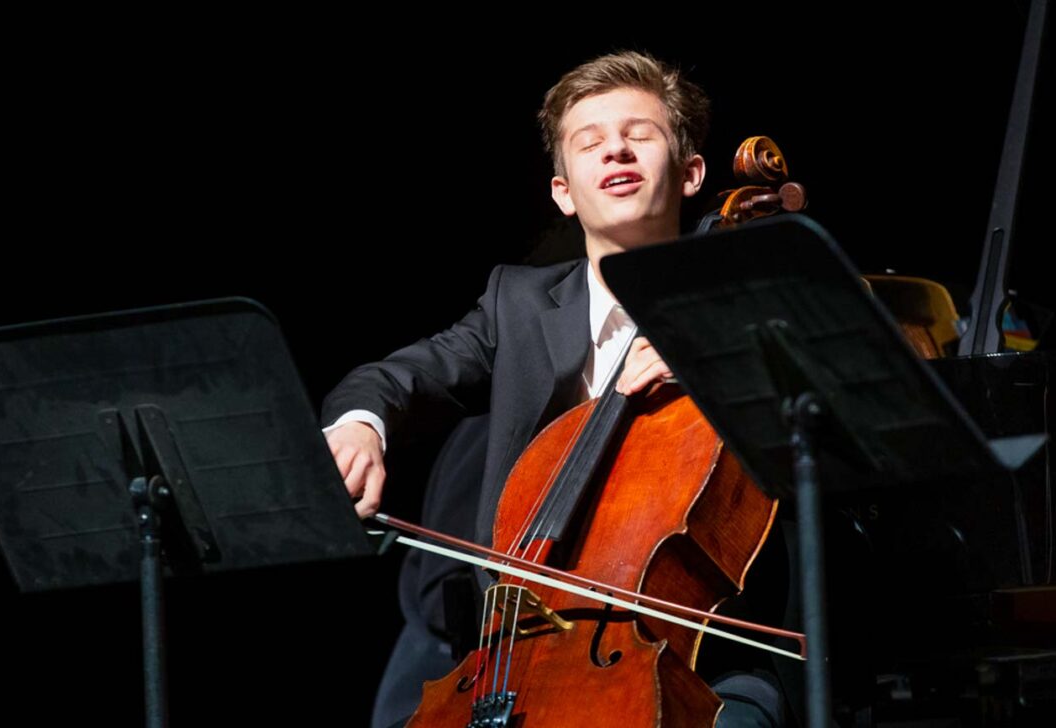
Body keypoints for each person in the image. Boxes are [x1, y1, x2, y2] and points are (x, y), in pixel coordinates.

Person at [322, 50, 789, 727]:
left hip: (704, 651)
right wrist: (360, 423)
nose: (616, 152)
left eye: (640, 134)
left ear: (690, 174)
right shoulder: (517, 302)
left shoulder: (746, 304)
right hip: (518, 653)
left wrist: (720, 364)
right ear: (564, 191)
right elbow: (401, 377)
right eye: (590, 143)